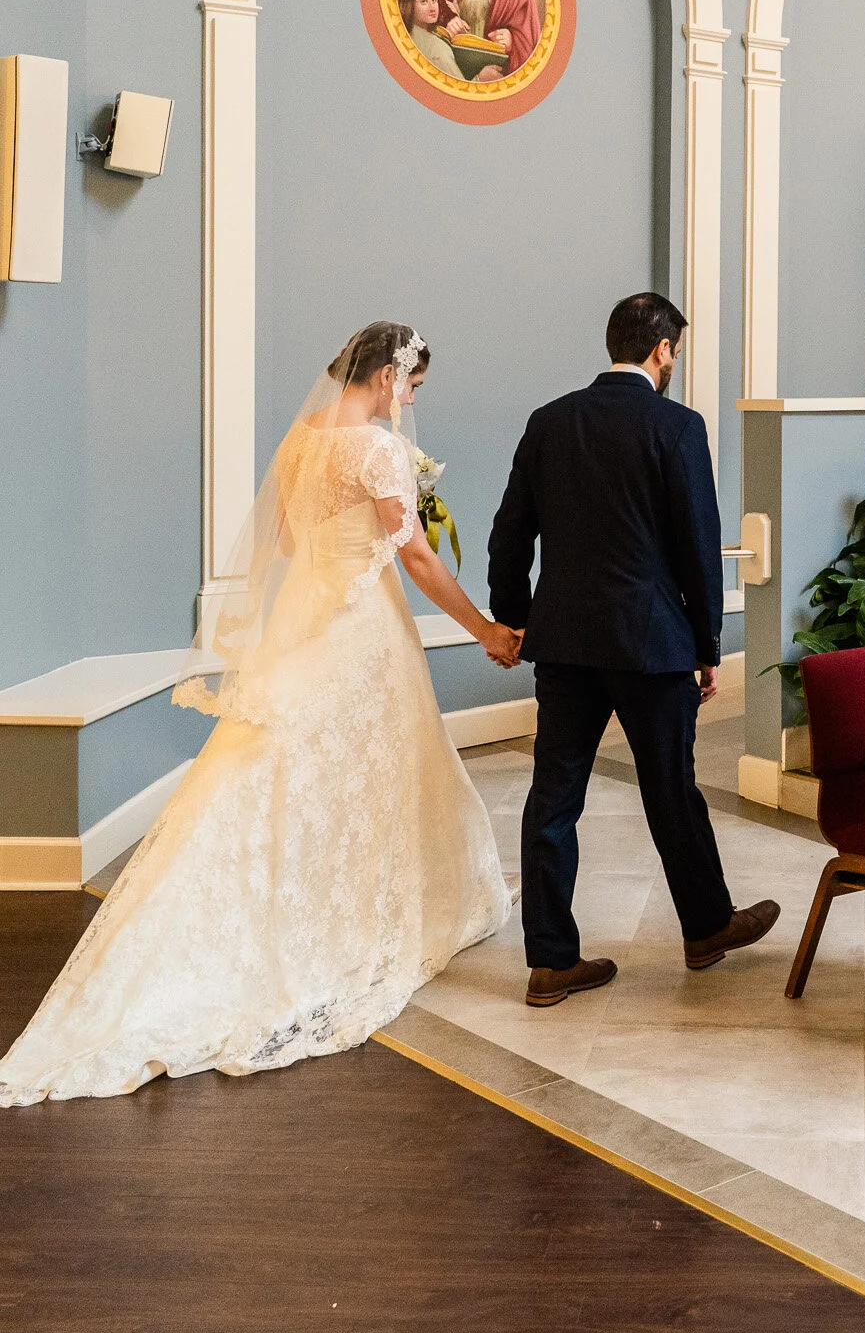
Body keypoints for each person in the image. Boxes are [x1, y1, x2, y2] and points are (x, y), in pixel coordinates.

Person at [0, 324, 519, 1107]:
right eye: (410, 385)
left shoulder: (301, 440)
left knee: (294, 768)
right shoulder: (375, 449)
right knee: (369, 773)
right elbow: (413, 558)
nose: (409, 400)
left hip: (308, 625)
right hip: (363, 636)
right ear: (384, 376)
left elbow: (282, 541)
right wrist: (484, 628)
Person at [488, 292, 779, 1007]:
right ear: (662, 350)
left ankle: (550, 961)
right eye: (674, 350)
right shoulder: (676, 426)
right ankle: (707, 927)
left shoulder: (550, 421)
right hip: (651, 643)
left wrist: (517, 617)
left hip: (563, 642)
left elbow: (508, 534)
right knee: (670, 790)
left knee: (552, 798)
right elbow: (695, 544)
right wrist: (708, 642)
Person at [398, 0, 464, 80]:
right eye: (424, 2)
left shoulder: (400, 34)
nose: (432, 7)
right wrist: (480, 78)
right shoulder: (438, 48)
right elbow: (458, 87)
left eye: (434, 0)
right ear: (409, 5)